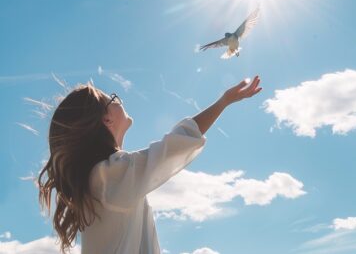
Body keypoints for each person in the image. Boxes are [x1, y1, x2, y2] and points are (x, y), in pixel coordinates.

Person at [38, 75, 262, 254]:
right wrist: (223, 102)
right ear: (106, 120)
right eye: (113, 99)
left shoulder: (104, 177)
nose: (120, 100)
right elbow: (171, 147)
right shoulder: (108, 176)